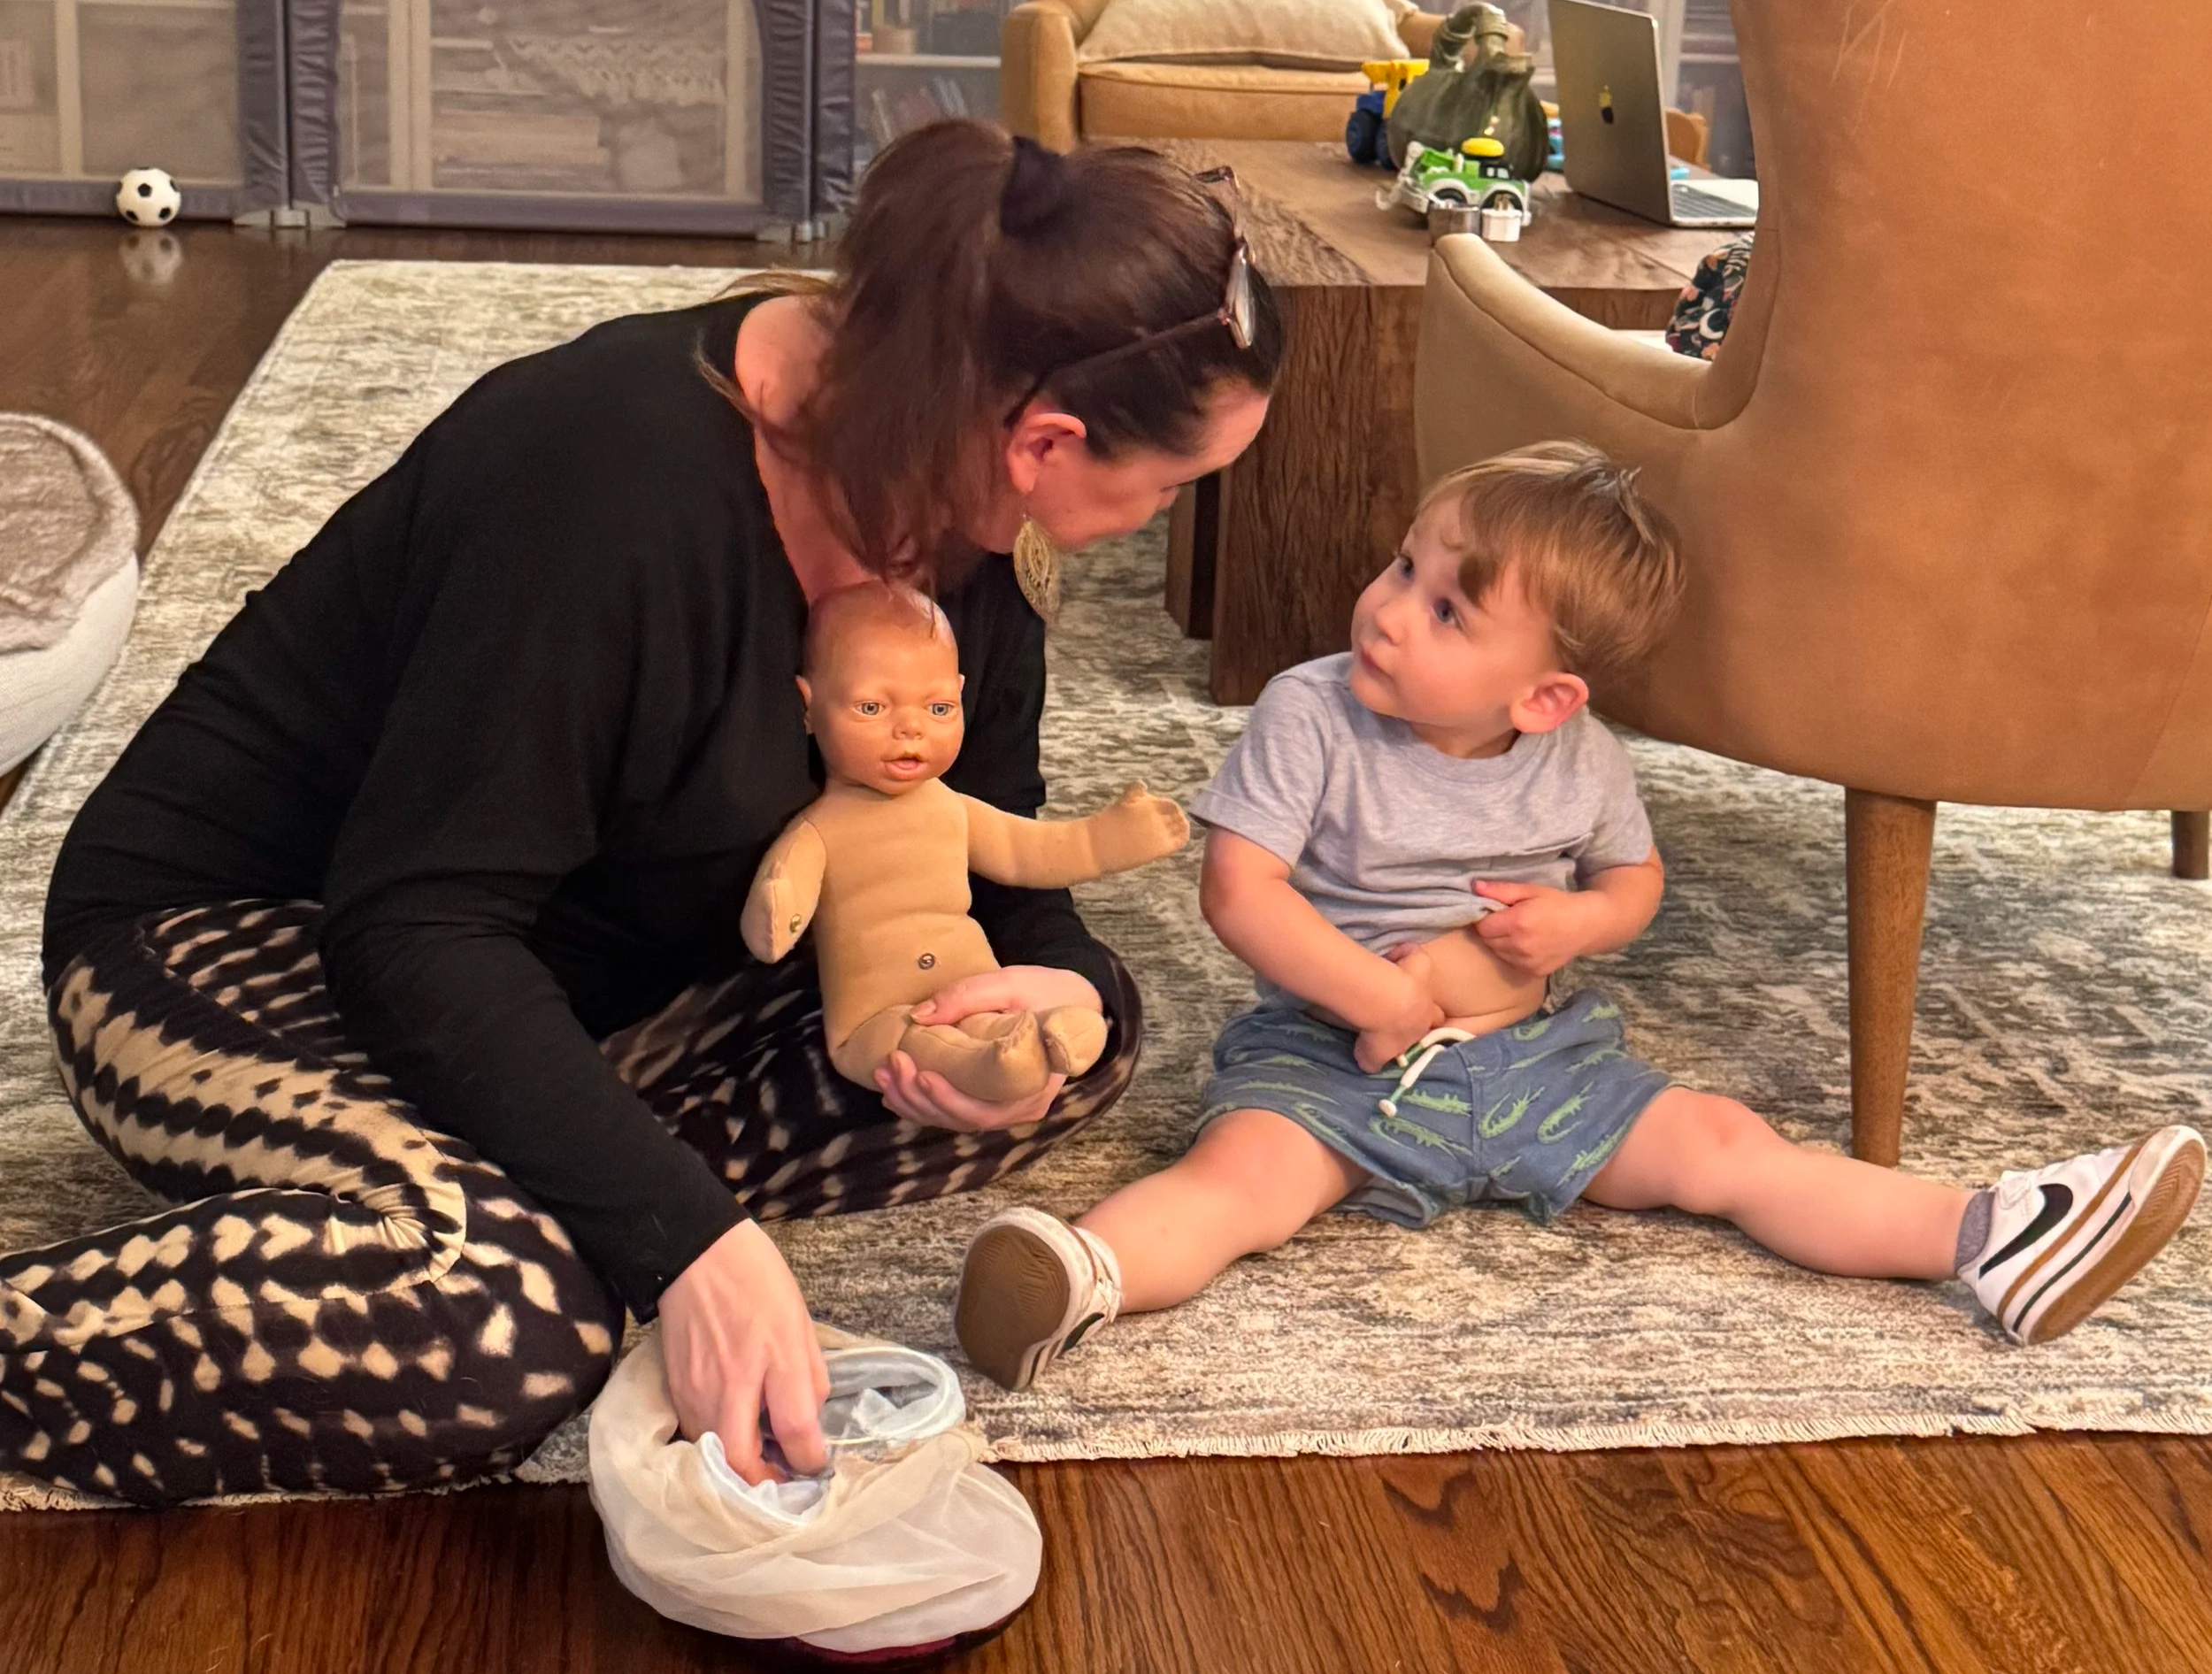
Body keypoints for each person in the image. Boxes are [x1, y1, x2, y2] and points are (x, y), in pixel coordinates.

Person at [3, 121, 1281, 1508]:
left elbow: (978, 840)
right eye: (1168, 488)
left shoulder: (964, 512)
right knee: (506, 1331)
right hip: (255, 936)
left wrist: (1054, 985)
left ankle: (528, 1177)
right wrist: (688, 1245)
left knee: (1070, 1045)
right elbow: (414, 929)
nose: (1154, 516)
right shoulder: (604, 481)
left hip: (597, 963)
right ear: (1042, 441)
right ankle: (517, 1213)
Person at [952, 442, 2206, 1392]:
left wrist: (1575, 929)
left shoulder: (1583, 761)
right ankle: (1080, 1276)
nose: (1389, 609)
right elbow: (1239, 890)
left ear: (1546, 699)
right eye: (1404, 567)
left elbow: (1634, 881)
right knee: (1241, 1184)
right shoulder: (1310, 713)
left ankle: (1994, 1235)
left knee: (1726, 1146)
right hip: (1334, 1058)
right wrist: (1381, 996)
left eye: (1449, 611)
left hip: (1539, 1061)